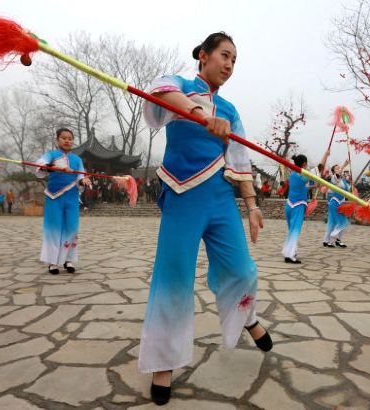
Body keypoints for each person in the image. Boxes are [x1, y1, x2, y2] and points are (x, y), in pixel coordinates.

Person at [138, 32, 270, 406]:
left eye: (234, 60)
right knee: (173, 279)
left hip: (219, 196)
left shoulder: (231, 111)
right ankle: (163, 362)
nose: (229, 65)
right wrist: (198, 113)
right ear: (203, 55)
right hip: (181, 194)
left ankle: (246, 316)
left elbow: (241, 162)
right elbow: (158, 93)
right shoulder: (178, 85)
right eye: (224, 55)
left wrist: (252, 205)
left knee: (243, 271)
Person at [35, 128, 92, 275]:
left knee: (71, 229)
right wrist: (52, 167)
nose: (67, 141)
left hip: (72, 198)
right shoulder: (51, 155)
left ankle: (68, 260)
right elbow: (41, 165)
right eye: (64, 138)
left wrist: (84, 180)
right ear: (57, 140)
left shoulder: (77, 160)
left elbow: (80, 176)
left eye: (70, 138)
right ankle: (52, 262)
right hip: (54, 197)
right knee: (54, 229)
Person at [282, 154, 315, 264]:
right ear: (304, 164)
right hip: (298, 206)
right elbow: (312, 177)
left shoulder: (293, 175)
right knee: (295, 231)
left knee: (292, 231)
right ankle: (290, 255)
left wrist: (313, 186)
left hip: (289, 206)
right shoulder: (303, 175)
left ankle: (288, 253)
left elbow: (303, 186)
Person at [318, 148, 350, 248]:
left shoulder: (342, 181)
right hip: (335, 203)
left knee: (331, 223)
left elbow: (347, 191)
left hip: (341, 203)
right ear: (333, 172)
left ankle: (327, 240)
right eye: (337, 168)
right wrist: (344, 164)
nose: (339, 169)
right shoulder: (334, 178)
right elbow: (338, 174)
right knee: (343, 222)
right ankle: (335, 238)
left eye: (339, 168)